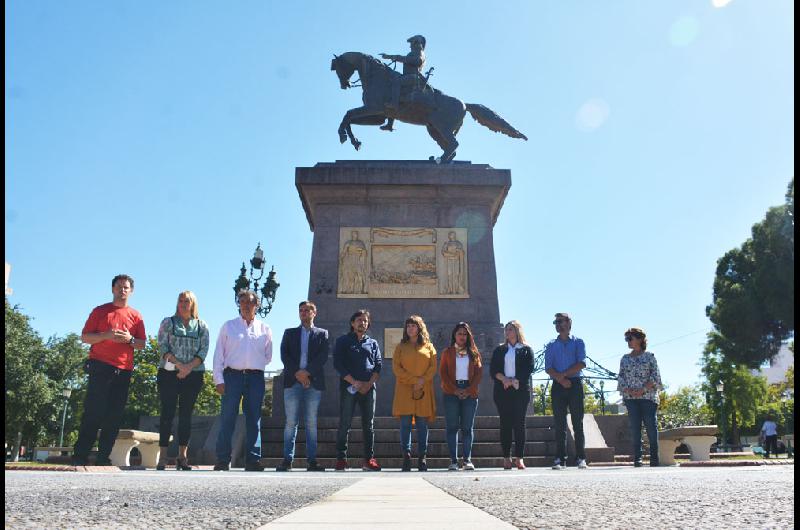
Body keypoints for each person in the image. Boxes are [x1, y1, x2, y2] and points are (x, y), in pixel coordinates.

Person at [72, 274, 146, 466]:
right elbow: (85, 337)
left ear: (131, 291)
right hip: (100, 366)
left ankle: (103, 457)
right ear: (113, 289)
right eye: (119, 287)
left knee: (114, 416)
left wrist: (129, 339)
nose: (123, 290)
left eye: (126, 287)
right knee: (93, 412)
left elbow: (142, 344)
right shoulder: (100, 311)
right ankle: (80, 456)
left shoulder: (136, 316)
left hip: (123, 370)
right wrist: (106, 335)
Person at [212, 289, 273, 471]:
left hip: (255, 377)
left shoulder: (265, 329)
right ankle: (223, 460)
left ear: (257, 306)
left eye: (251, 302)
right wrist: (218, 380)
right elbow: (218, 355)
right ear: (238, 304)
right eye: (243, 302)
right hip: (232, 377)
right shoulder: (228, 326)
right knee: (227, 418)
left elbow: (268, 356)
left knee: (254, 419)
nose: (247, 306)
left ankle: (253, 460)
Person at [155, 291, 210, 471]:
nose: (183, 304)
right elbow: (162, 345)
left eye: (187, 301)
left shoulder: (202, 326)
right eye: (180, 300)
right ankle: (163, 456)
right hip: (169, 372)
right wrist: (179, 365)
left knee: (186, 415)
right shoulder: (168, 322)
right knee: (167, 413)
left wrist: (188, 367)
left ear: (193, 304)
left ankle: (182, 456)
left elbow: (203, 351)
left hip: (193, 374)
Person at [277, 301, 329, 472]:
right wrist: (298, 374)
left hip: (313, 384)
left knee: (311, 423)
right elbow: (284, 355)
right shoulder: (289, 333)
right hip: (293, 383)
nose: (304, 313)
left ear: (315, 313)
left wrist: (307, 374)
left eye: (307, 310)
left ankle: (312, 461)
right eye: (301, 310)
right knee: (291, 422)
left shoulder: (322, 334)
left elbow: (322, 357)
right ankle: (287, 460)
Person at [334, 309, 382, 471]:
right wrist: (354, 382)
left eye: (365, 320)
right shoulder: (343, 341)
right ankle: (341, 459)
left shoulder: (373, 343)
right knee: (345, 423)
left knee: (368, 425)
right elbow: (338, 364)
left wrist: (368, 384)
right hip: (349, 387)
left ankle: (368, 460)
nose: (362, 323)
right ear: (352, 323)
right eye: (359, 320)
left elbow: (378, 365)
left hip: (369, 389)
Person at [392, 315, 437, 471]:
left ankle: (422, 458)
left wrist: (422, 380)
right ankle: (406, 456)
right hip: (405, 390)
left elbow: (433, 367)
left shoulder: (429, 346)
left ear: (419, 328)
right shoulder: (400, 347)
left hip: (423, 390)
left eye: (413, 325)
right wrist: (414, 380)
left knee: (422, 425)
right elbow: (397, 368)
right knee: (405, 424)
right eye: (408, 326)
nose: (410, 328)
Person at [545, 312, 588, 470]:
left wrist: (564, 376)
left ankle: (581, 458)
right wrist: (561, 379)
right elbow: (548, 367)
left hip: (575, 384)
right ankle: (560, 459)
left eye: (561, 321)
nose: (558, 324)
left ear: (569, 323)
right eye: (555, 322)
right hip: (558, 385)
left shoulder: (578, 342)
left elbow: (581, 363)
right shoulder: (550, 345)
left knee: (578, 423)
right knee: (559, 423)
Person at [490, 320, 534, 470]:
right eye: (506, 330)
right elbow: (493, 369)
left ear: (517, 331)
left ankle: (519, 458)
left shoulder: (526, 349)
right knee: (505, 424)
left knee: (519, 424)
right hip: (503, 390)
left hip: (520, 391)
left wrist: (516, 380)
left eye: (510, 329)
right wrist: (505, 379)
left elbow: (529, 368)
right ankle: (506, 458)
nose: (507, 332)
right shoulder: (500, 350)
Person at [616, 327, 662, 467]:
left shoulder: (650, 357)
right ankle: (638, 458)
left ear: (640, 339)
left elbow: (656, 377)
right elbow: (621, 378)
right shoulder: (625, 359)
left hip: (648, 398)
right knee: (635, 429)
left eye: (630, 338)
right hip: (631, 399)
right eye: (626, 339)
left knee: (651, 427)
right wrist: (629, 390)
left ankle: (654, 458)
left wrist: (643, 390)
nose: (628, 341)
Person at [439, 322, 483, 471]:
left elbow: (478, 374)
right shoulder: (447, 352)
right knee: (452, 427)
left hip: (470, 392)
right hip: (452, 392)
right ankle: (453, 460)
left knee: (467, 427)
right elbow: (443, 373)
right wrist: (455, 389)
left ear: (468, 336)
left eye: (465, 334)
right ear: (454, 335)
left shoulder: (474, 352)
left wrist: (469, 389)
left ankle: (467, 460)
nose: (462, 336)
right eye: (459, 333)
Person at [379, 34, 427, 131]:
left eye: (411, 43)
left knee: (396, 82)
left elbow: (418, 61)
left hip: (414, 77)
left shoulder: (419, 52)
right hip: (408, 76)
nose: (410, 46)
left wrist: (397, 57)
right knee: (392, 80)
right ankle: (390, 123)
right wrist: (391, 57)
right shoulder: (415, 52)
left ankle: (394, 104)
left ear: (416, 43)